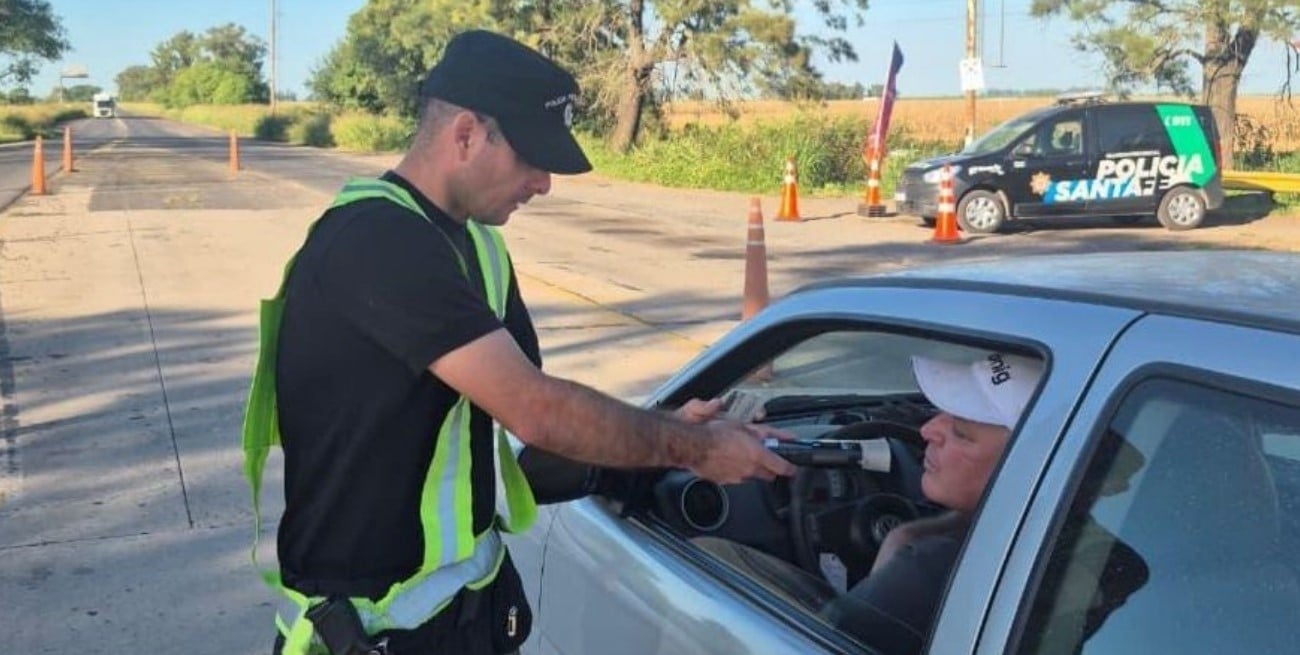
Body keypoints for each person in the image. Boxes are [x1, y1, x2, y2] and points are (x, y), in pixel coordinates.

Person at [240, 30, 795, 655]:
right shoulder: (376, 240)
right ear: (466, 135)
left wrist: (663, 433)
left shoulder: (479, 248)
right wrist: (694, 448)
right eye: (532, 157)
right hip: (367, 633)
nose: (544, 182)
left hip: (466, 616)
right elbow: (539, 411)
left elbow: (523, 433)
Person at [822, 351, 1045, 653]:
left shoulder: (932, 573)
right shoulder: (1091, 542)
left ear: (1023, 465)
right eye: (942, 411)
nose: (927, 430)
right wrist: (917, 531)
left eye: (962, 432)